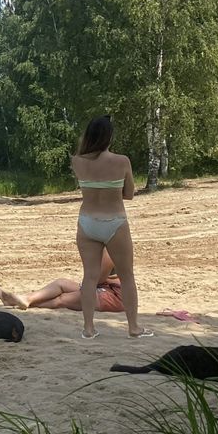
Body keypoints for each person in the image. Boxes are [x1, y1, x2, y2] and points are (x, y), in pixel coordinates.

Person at [71, 115, 148, 339]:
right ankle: (133, 327)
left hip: (87, 222)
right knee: (127, 276)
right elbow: (130, 194)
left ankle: (88, 328)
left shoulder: (77, 161)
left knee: (90, 277)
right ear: (109, 136)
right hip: (114, 220)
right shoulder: (122, 161)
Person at [0, 248, 124, 313]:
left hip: (116, 297)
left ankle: (22, 303)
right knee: (61, 283)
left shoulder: (110, 249)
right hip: (105, 288)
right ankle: (26, 299)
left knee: (62, 299)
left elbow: (98, 278)